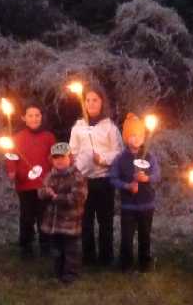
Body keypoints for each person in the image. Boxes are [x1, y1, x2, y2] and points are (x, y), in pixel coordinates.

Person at [67, 85, 122, 266]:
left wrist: (103, 159)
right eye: (88, 100)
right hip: (84, 180)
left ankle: (106, 257)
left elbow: (118, 152)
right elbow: (73, 152)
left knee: (105, 220)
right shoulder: (78, 127)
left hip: (104, 181)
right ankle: (88, 257)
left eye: (95, 100)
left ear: (102, 103)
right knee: (86, 220)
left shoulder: (110, 127)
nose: (91, 103)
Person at [108, 113, 160, 272]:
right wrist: (127, 186)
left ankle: (145, 263)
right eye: (131, 136)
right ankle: (126, 264)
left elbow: (157, 175)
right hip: (128, 206)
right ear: (125, 138)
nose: (135, 139)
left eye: (139, 135)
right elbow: (113, 178)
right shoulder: (120, 158)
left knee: (145, 235)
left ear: (144, 137)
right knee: (127, 237)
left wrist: (146, 179)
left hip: (146, 205)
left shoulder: (149, 156)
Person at [6, 103, 55, 258]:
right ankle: (26, 245)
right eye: (30, 116)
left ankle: (45, 244)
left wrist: (56, 168)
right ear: (24, 118)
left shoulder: (49, 137)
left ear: (41, 117)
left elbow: (54, 156)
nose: (34, 118)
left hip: (43, 183)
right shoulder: (17, 138)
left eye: (37, 115)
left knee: (44, 215)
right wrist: (12, 171)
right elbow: (11, 157)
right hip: (25, 184)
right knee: (27, 216)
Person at [38, 142, 88, 284]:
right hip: (53, 223)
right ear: (51, 160)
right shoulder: (49, 176)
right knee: (57, 250)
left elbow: (78, 198)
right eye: (56, 158)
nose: (59, 161)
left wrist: (57, 198)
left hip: (70, 223)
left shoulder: (77, 177)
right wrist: (45, 193)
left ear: (70, 158)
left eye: (63, 157)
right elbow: (40, 193)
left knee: (71, 251)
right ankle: (58, 272)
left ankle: (70, 275)